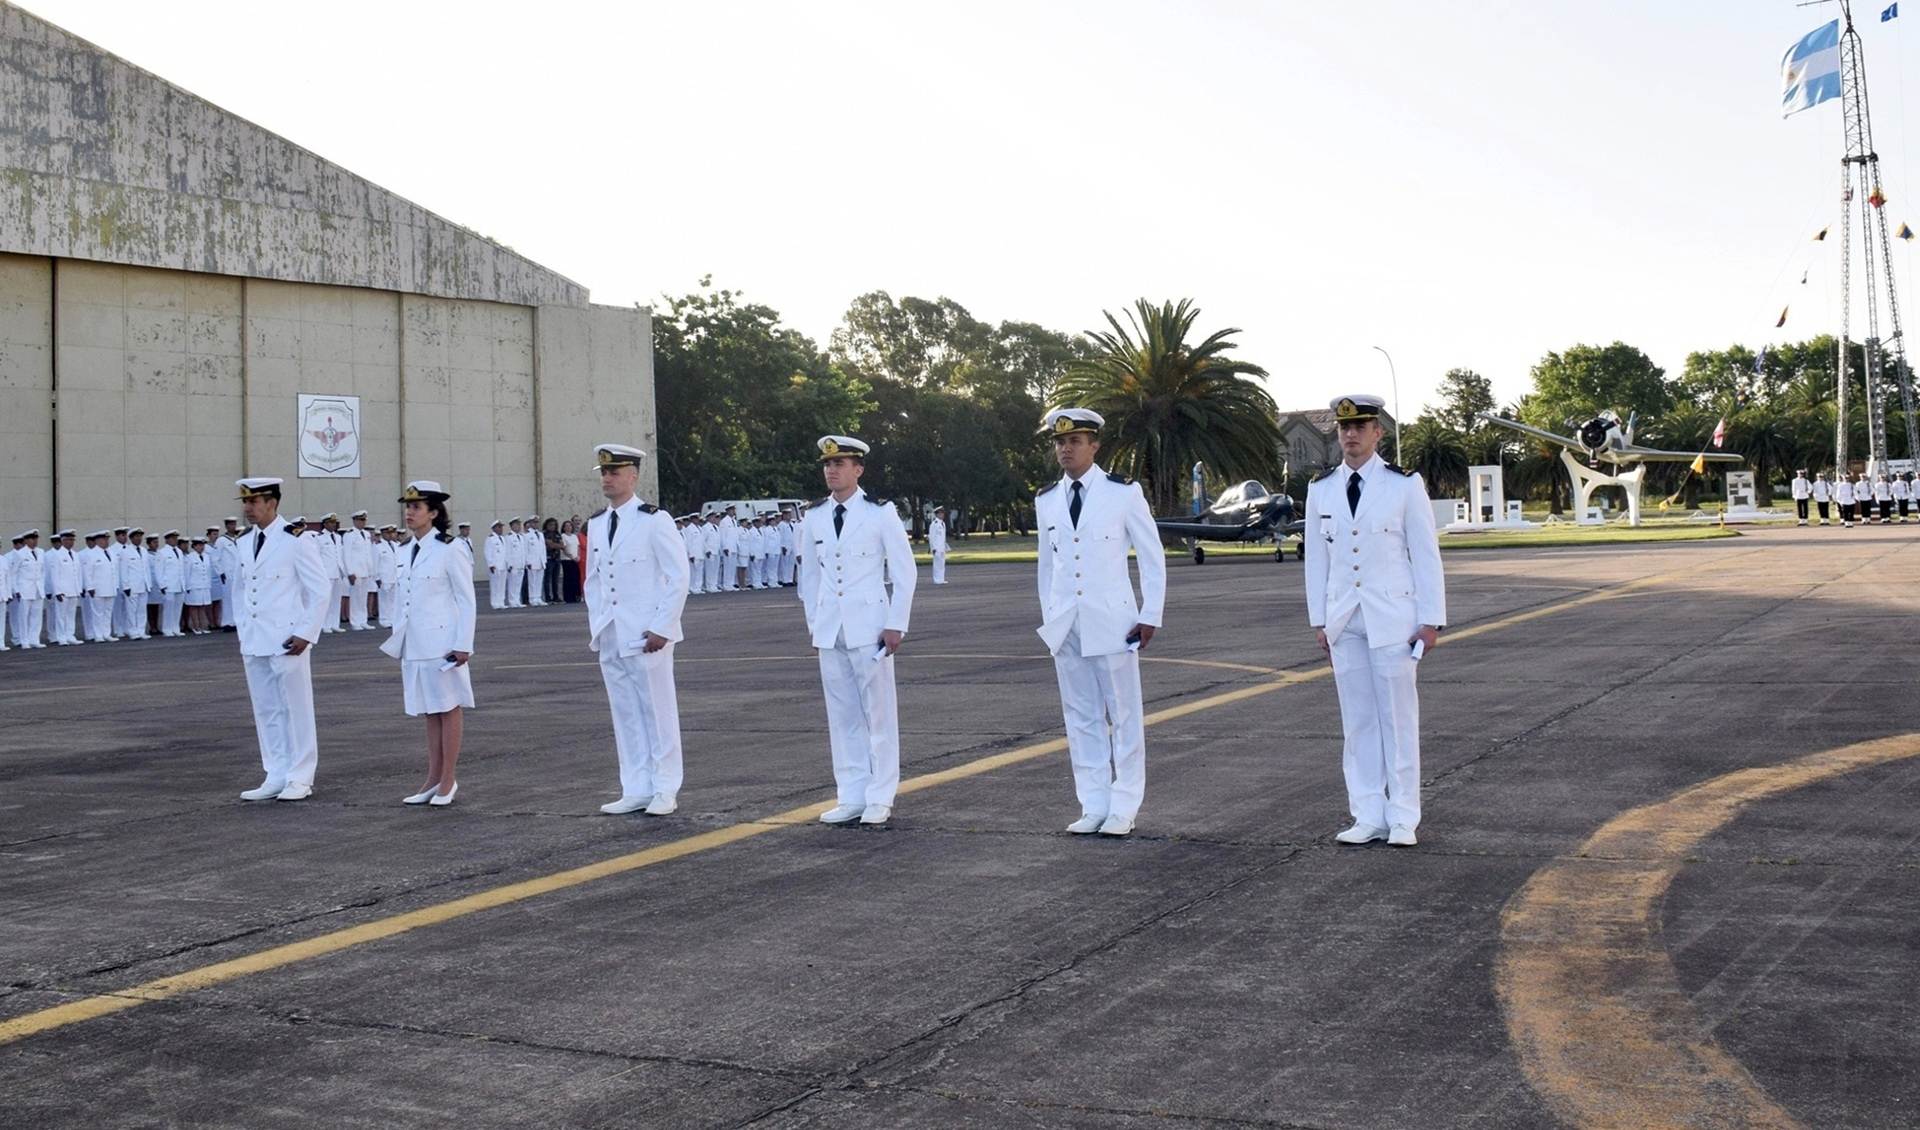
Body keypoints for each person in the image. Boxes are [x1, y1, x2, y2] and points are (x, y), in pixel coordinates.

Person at [1306, 394, 1447, 848]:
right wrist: (1320, 621)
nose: (1351, 435)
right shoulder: (1321, 488)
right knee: (1359, 722)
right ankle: (1367, 813)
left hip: (1393, 618)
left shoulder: (1403, 485)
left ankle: (1403, 816)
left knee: (1398, 720)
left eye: (1361, 426)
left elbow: (1425, 555)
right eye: (1344, 428)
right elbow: (1316, 562)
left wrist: (1431, 620)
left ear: (1378, 433)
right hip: (1344, 619)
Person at [1033, 409, 1166, 837]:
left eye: (1075, 441)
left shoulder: (1122, 493)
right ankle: (1093, 802)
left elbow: (1151, 555)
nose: (1065, 448)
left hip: (1113, 621)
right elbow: (1046, 565)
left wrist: (1150, 614)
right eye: (1059, 442)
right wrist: (1049, 617)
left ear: (1095, 445)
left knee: (1124, 715)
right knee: (1080, 716)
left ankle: (1124, 805)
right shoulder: (1046, 498)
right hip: (1066, 623)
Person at [799, 435, 917, 826]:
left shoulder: (879, 513)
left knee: (879, 716)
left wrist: (896, 623)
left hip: (870, 628)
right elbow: (810, 579)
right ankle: (850, 794)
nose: (832, 470)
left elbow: (904, 572)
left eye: (841, 463)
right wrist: (816, 627)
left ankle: (880, 795)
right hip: (831, 630)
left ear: (858, 469)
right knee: (843, 716)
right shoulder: (814, 516)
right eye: (828, 464)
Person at [585, 443, 690, 816]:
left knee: (657, 711)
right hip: (613, 631)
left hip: (648, 634)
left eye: (615, 472)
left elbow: (679, 576)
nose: (607, 478)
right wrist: (599, 623)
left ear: (633, 476)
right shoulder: (597, 523)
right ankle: (635, 785)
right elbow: (594, 580)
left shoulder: (653, 519)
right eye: (604, 472)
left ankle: (665, 787)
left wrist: (662, 626)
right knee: (625, 711)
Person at [233, 480, 332, 802]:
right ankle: (275, 773)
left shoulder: (296, 540)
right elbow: (239, 590)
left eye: (254, 501)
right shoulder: (244, 542)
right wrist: (243, 628)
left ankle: (300, 776)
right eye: (245, 501)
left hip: (287, 638)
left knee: (296, 708)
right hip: (255, 638)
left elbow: (319, 589)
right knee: (267, 709)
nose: (248, 508)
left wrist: (306, 632)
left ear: (272, 502)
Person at [383, 481, 475, 807]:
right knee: (428, 711)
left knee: (448, 709)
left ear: (434, 513)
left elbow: (466, 600)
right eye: (407, 507)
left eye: (416, 507)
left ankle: (448, 779)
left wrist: (463, 644)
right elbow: (402, 600)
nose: (409, 512)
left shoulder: (451, 548)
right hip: (415, 644)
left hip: (443, 643)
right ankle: (433, 778)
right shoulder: (404, 549)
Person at [43, 529, 82, 646]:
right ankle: (61, 637)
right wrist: (57, 592)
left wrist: (79, 589)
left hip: (73, 589)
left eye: (72, 540)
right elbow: (54, 575)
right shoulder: (57, 555)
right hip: (63, 590)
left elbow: (78, 573)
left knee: (71, 615)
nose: (71, 542)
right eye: (68, 540)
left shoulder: (75, 554)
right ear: (63, 541)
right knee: (61, 615)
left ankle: (70, 635)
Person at [10, 531, 45, 648]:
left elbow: (42, 571)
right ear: (25, 541)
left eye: (36, 538)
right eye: (31, 539)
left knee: (36, 615)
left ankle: (34, 639)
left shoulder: (41, 552)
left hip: (37, 589)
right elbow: (13, 573)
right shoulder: (19, 554)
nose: (34, 541)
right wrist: (16, 590)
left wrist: (42, 586)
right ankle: (24, 640)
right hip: (24, 588)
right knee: (23, 616)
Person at [342, 511, 376, 630]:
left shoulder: (366, 534)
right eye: (361, 520)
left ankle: (363, 620)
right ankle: (355, 622)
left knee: (363, 597)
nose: (363, 522)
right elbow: (346, 554)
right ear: (355, 520)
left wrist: (371, 570)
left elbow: (368, 553)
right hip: (356, 571)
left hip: (366, 570)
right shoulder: (349, 535)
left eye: (364, 520)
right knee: (356, 598)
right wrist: (350, 572)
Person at [184, 536, 213, 634]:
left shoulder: (206, 556)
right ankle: (195, 626)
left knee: (202, 606)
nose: (202, 547)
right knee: (194, 607)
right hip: (194, 586)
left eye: (203, 545)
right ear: (194, 546)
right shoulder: (189, 557)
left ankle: (203, 626)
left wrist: (209, 585)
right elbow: (187, 573)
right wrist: (187, 586)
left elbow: (208, 572)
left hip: (204, 585)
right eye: (199, 545)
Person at [374, 523, 400, 627]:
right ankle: (384, 619)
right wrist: (377, 577)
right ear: (383, 534)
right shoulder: (378, 546)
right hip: (384, 576)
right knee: (384, 599)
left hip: (395, 576)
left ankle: (392, 618)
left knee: (394, 599)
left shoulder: (396, 545)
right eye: (388, 533)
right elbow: (375, 563)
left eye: (392, 533)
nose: (390, 535)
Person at [558, 518, 582, 603]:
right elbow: (564, 548)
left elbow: (578, 547)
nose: (568, 527)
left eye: (570, 526)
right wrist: (571, 557)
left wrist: (578, 556)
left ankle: (575, 596)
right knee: (568, 578)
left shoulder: (574, 536)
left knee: (575, 578)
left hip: (575, 559)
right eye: (566, 526)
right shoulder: (563, 536)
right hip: (567, 559)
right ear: (563, 528)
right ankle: (568, 597)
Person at [928, 506, 950, 585]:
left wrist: (945, 546)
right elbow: (932, 537)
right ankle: (936, 579)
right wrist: (932, 548)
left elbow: (942, 537)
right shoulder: (934, 524)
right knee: (937, 564)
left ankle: (941, 579)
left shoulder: (943, 523)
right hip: (936, 548)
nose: (942, 515)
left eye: (943, 513)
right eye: (941, 513)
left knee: (942, 564)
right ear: (937, 514)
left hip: (942, 548)